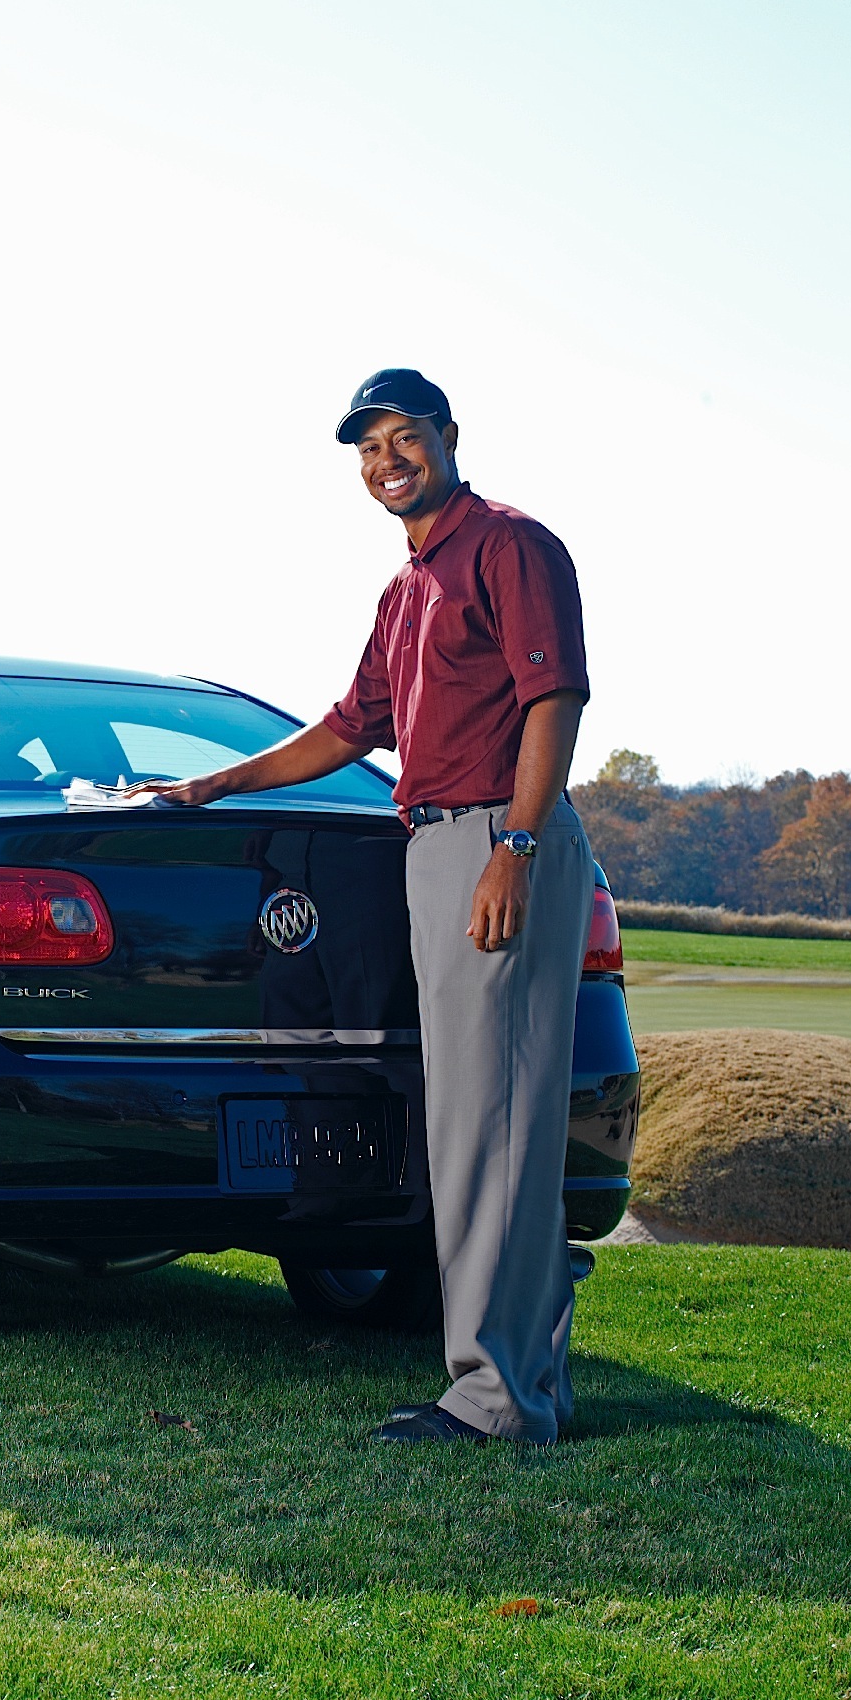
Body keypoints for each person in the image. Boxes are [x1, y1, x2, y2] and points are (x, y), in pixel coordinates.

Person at [147, 368, 593, 1445]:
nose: (387, 460)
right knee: (469, 1124)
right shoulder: (405, 590)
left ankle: (497, 1398)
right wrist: (214, 783)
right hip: (436, 846)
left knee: (495, 1127)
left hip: (498, 835)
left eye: (404, 438)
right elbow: (349, 728)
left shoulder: (509, 545)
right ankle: (519, 1383)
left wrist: (516, 847)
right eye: (368, 447)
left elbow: (555, 697)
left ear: (447, 435)